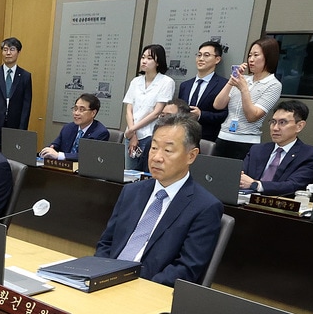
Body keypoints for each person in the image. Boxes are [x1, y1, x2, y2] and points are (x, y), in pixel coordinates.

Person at [94, 113, 223, 286]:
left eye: (168, 150)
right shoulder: (131, 191)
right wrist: (100, 274)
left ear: (191, 156)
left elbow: (186, 268)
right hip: (105, 282)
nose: (156, 157)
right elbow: (106, 243)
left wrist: (138, 288)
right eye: (154, 148)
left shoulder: (205, 207)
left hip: (148, 291)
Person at [212, 37, 283, 161]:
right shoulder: (244, 79)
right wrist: (232, 81)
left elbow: (252, 116)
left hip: (246, 141)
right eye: (250, 55)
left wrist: (244, 89)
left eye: (256, 55)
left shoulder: (273, 84)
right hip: (223, 136)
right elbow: (218, 105)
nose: (251, 59)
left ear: (269, 57)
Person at [240, 100, 313, 196]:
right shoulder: (257, 150)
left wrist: (256, 185)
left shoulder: (309, 155)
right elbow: (241, 176)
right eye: (273, 122)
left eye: (282, 122)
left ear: (299, 126)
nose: (275, 128)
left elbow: (293, 185)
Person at [121, 43, 176, 169]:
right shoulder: (136, 81)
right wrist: (132, 133)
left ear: (158, 62)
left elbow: (157, 112)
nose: (144, 61)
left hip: (150, 135)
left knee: (147, 173)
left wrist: (133, 129)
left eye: (149, 58)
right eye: (143, 57)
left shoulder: (166, 82)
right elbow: (129, 109)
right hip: (130, 135)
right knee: (129, 173)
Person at [0, 37, 33, 148]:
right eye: (5, 50)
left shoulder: (25, 76)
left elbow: (26, 105)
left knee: (11, 158)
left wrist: (22, 130)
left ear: (18, 52)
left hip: (14, 127)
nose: (8, 53)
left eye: (12, 49)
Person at [177, 40, 226, 143]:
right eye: (199, 55)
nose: (201, 59)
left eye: (206, 55)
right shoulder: (185, 85)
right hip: (182, 137)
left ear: (217, 59)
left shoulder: (224, 85)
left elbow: (224, 115)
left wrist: (201, 115)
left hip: (208, 138)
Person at [40, 93, 109, 162]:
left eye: (81, 110)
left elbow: (88, 156)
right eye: (75, 109)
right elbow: (55, 145)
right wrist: (49, 150)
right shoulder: (68, 128)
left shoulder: (100, 133)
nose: (76, 113)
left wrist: (59, 155)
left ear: (93, 113)